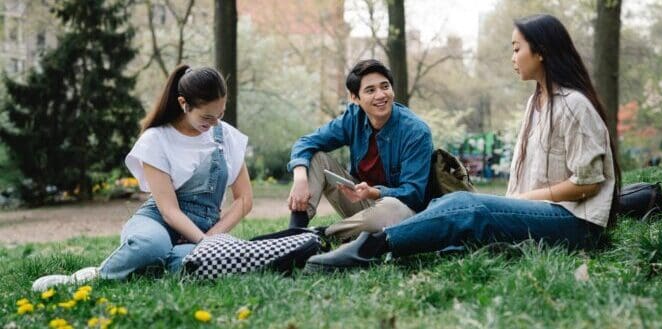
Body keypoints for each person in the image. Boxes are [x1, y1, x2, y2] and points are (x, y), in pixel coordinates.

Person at [305, 14, 621, 271]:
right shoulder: (537, 104)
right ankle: (350, 239)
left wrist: (524, 199)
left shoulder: (574, 105)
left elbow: (588, 184)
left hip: (575, 224)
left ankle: (370, 248)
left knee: (466, 205)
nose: (512, 57)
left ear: (540, 51)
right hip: (541, 211)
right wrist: (519, 202)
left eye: (516, 48)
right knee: (445, 205)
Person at [32, 65, 252, 291]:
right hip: (158, 222)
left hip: (205, 230)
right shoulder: (156, 140)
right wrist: (204, 242)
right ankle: (93, 277)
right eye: (207, 116)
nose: (216, 123)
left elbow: (244, 200)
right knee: (152, 245)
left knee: (206, 260)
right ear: (183, 104)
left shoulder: (227, 137)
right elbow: (169, 211)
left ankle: (146, 267)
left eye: (221, 114)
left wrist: (211, 240)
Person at [287, 59, 433, 240]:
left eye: (385, 86)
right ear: (354, 98)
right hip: (361, 202)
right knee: (316, 158)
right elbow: (306, 142)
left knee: (389, 209)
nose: (381, 95)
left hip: (401, 211)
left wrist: (375, 192)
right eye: (370, 90)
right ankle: (292, 235)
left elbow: (414, 194)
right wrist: (300, 178)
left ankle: (321, 235)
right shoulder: (354, 118)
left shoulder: (416, 131)